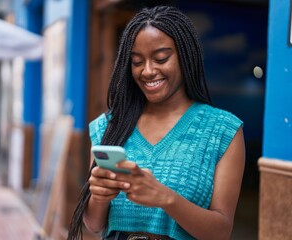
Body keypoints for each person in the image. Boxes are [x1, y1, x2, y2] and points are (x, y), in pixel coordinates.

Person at [68, 5, 245, 240]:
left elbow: (221, 232)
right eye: (137, 61)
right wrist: (99, 197)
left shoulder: (222, 131)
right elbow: (93, 224)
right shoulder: (111, 125)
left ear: (185, 56)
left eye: (161, 58)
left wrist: (166, 198)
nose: (148, 71)